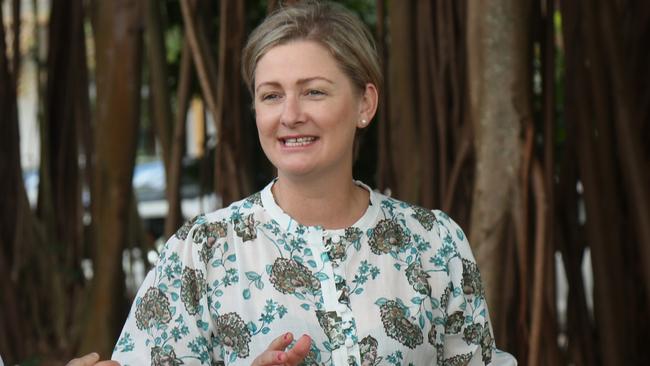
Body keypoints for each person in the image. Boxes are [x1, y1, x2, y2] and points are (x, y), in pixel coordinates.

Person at [72, 1, 516, 365]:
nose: (290, 115)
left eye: (314, 91)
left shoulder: (435, 243)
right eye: (271, 95)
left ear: (365, 102)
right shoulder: (201, 253)